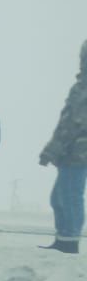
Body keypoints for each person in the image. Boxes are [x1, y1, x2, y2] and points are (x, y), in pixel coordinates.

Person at [39, 39, 87, 255]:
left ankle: (69, 240)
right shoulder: (80, 86)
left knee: (68, 194)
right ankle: (64, 238)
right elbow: (66, 124)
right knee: (61, 195)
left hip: (77, 152)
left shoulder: (83, 88)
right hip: (71, 151)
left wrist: (52, 150)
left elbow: (72, 124)